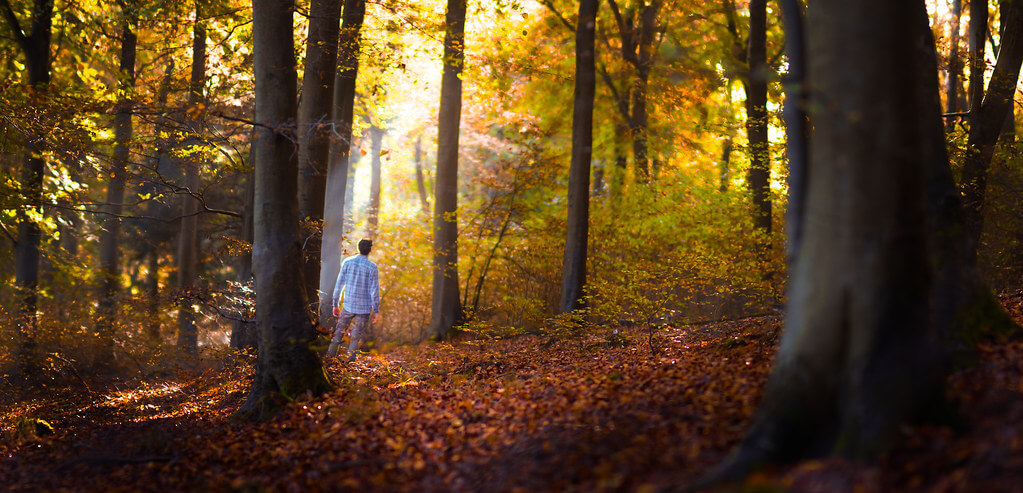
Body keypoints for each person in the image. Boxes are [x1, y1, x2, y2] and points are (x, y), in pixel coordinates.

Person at [327, 238, 381, 360]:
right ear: (370, 250)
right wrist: (376, 310)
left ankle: (329, 359)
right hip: (364, 309)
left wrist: (335, 303)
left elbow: (339, 284)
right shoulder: (372, 267)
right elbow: (375, 291)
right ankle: (349, 364)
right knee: (355, 338)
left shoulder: (347, 262)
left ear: (358, 248)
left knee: (338, 334)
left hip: (348, 306)